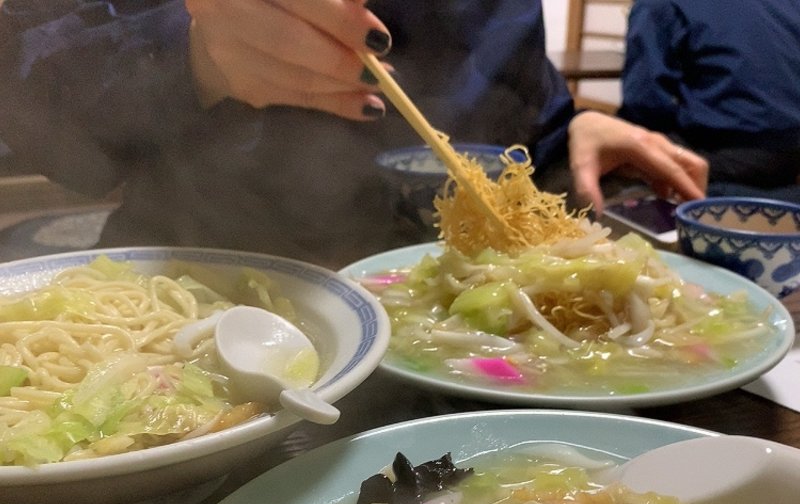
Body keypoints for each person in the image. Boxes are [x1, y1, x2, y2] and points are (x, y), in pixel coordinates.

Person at [0, 0, 707, 268]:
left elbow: (509, 128)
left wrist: (571, 127)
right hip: (199, 302)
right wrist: (193, 57)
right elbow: (37, 112)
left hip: (455, 322)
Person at [619, 0, 800, 202]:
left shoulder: (657, 4)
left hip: (722, 154)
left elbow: (644, 102)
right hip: (791, 155)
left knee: (610, 143)